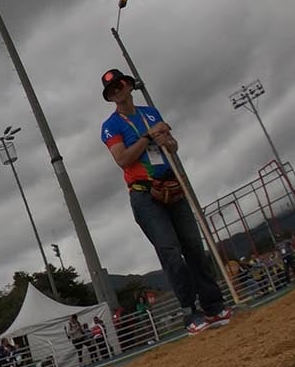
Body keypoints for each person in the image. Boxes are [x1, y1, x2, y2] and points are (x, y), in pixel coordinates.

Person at [99, 68, 233, 335]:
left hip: (171, 185)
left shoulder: (151, 112)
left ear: (128, 85)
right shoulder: (110, 126)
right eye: (112, 90)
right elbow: (123, 159)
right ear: (110, 97)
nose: (117, 92)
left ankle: (213, 305)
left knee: (194, 246)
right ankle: (189, 311)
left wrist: (167, 140)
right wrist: (148, 137)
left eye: (120, 85)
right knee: (171, 251)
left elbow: (172, 146)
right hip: (144, 194)